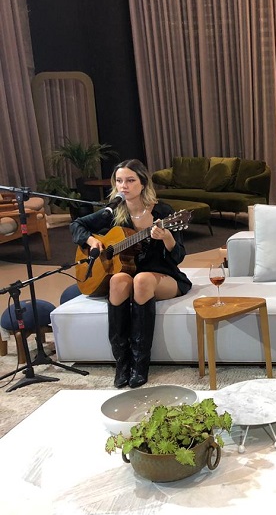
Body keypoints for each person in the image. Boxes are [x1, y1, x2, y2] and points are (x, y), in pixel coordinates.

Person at [70, 159, 191, 388]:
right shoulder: (114, 211)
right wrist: (92, 241)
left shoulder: (163, 212)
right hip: (128, 274)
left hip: (163, 276)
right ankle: (122, 363)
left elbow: (178, 257)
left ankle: (140, 363)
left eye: (130, 180)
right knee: (117, 280)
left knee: (142, 280)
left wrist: (167, 237)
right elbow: (77, 225)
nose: (123, 186)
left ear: (143, 183)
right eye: (119, 181)